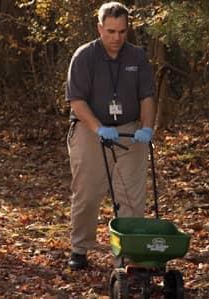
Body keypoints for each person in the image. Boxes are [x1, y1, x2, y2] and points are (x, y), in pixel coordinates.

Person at [65, 1, 156, 270]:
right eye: (110, 31)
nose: (116, 38)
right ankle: (80, 248)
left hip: (129, 129)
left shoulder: (137, 57)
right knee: (88, 192)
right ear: (99, 28)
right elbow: (77, 101)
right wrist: (98, 129)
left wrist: (147, 127)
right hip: (90, 127)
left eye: (122, 32)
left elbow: (147, 96)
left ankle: (128, 253)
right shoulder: (84, 56)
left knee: (131, 194)